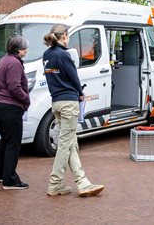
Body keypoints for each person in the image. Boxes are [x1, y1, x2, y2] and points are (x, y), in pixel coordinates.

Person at [43, 24, 104, 197]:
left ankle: (82, 181)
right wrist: (81, 93)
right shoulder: (64, 55)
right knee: (65, 144)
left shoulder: (47, 55)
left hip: (56, 102)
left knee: (69, 143)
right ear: (64, 36)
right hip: (69, 102)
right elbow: (74, 78)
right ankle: (55, 184)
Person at [0, 35, 31, 190]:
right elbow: (14, 87)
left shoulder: (4, 59)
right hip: (10, 108)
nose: (26, 50)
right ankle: (10, 180)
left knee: (5, 141)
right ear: (19, 50)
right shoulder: (14, 63)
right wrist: (26, 99)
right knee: (13, 144)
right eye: (25, 48)